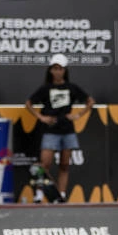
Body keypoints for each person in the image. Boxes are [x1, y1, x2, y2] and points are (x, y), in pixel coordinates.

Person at [25, 53, 94, 203]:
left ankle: (61, 194)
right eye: (55, 68)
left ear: (65, 70)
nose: (57, 71)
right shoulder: (46, 88)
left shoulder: (71, 87)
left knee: (64, 165)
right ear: (50, 70)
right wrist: (42, 117)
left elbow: (90, 101)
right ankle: (38, 195)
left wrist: (78, 115)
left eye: (60, 68)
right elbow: (28, 103)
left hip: (67, 130)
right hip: (50, 130)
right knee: (44, 165)